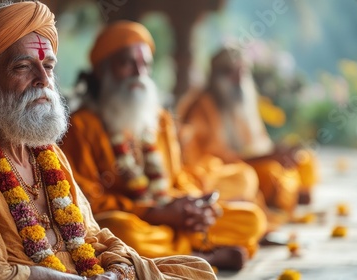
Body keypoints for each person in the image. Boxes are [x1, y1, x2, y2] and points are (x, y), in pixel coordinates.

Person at [0, 2, 218, 279]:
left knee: (195, 271)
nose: (43, 80)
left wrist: (117, 269)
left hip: (84, 271)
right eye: (24, 67)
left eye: (48, 66)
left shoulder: (46, 152)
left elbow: (92, 235)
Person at [60, 21, 267, 271]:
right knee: (120, 230)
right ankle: (201, 258)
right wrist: (153, 213)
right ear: (103, 71)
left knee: (250, 219)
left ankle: (169, 258)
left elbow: (176, 177)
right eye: (127, 63)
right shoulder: (82, 126)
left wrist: (191, 205)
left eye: (145, 64)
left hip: (171, 218)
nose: (139, 72)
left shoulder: (158, 120)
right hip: (137, 222)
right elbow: (86, 201)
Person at [177, 46, 318, 216]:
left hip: (253, 164)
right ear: (215, 76)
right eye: (231, 72)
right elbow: (213, 160)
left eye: (242, 72)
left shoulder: (244, 101)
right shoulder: (202, 107)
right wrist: (266, 157)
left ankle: (289, 194)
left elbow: (260, 143)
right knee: (256, 176)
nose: (239, 79)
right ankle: (284, 196)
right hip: (227, 174)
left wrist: (277, 152)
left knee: (304, 158)